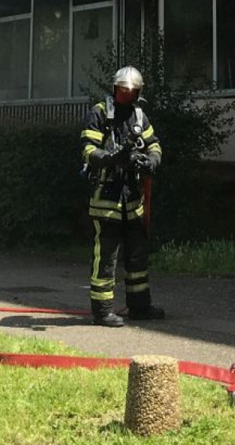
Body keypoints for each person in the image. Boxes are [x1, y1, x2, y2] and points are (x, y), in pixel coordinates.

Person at [80, 66, 163, 327]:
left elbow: (154, 145)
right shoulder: (100, 112)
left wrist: (150, 161)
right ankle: (103, 311)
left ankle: (140, 307)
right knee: (106, 256)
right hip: (107, 197)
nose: (125, 95)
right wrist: (110, 158)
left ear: (138, 93)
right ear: (114, 88)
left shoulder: (139, 115)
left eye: (130, 92)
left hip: (133, 199)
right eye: (122, 90)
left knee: (137, 256)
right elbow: (87, 150)